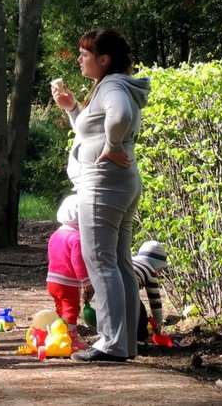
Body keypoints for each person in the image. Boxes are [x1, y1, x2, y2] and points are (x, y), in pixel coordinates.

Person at [50, 28, 151, 362]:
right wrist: (72, 108)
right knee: (119, 262)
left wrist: (111, 145)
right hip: (121, 183)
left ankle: (111, 342)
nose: (79, 59)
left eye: (85, 54)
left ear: (104, 60)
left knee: (101, 262)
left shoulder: (112, 86)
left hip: (103, 186)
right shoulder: (112, 85)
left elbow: (118, 115)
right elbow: (95, 125)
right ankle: (125, 342)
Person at [45, 194, 91, 352]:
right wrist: (86, 282)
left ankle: (59, 334)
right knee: (71, 309)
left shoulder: (56, 234)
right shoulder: (76, 238)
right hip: (67, 282)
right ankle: (71, 340)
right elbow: (78, 263)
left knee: (61, 308)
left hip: (52, 280)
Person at [132, 240, 168, 344]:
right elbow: (155, 300)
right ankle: (140, 340)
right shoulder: (150, 272)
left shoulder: (131, 260)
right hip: (127, 288)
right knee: (141, 313)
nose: (159, 273)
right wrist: (158, 322)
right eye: (160, 270)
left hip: (112, 286)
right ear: (156, 264)